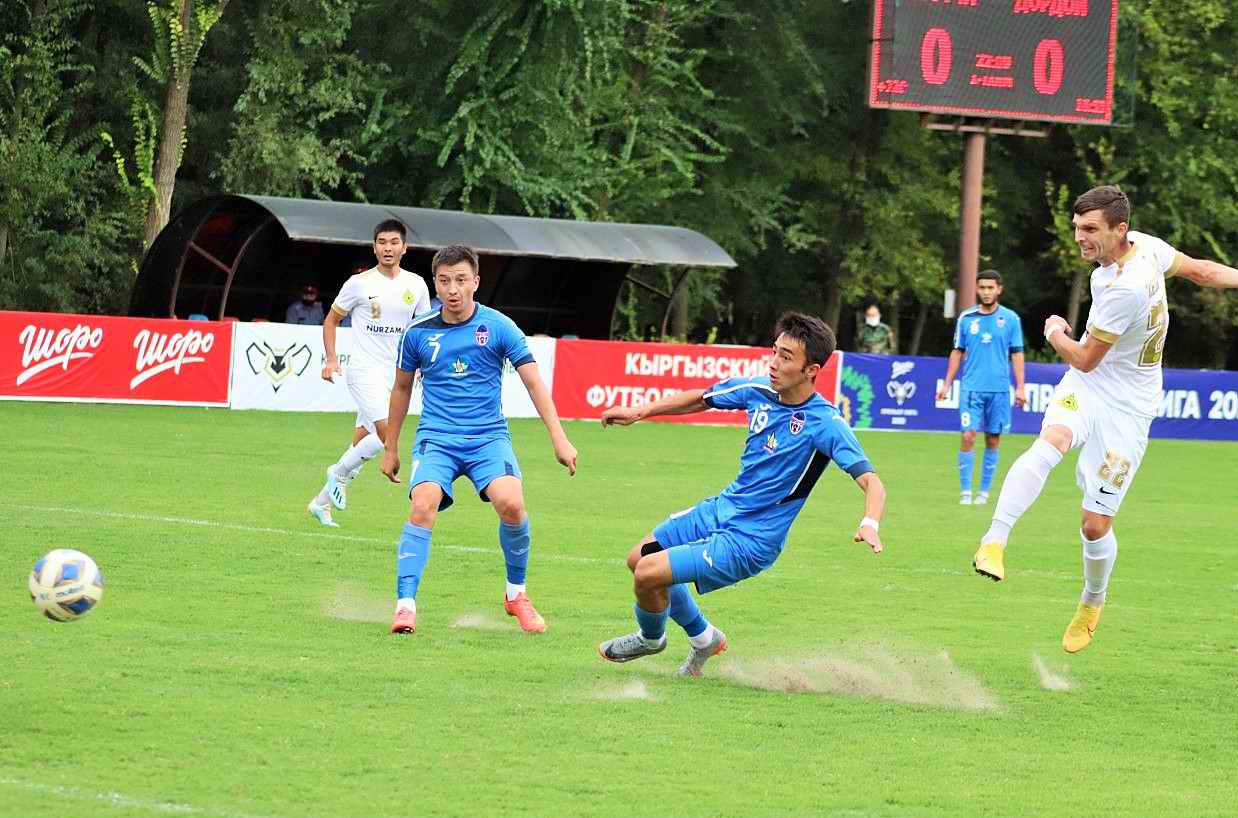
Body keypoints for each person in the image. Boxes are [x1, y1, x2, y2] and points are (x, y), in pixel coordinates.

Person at [972, 185, 1238, 653]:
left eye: (1090, 229)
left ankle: (1092, 602)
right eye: (1076, 228)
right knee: (1052, 440)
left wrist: (1054, 331)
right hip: (1087, 389)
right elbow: (1199, 271)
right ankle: (994, 540)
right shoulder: (1144, 247)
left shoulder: (1122, 288)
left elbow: (1084, 357)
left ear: (1119, 228)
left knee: (1095, 525)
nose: (1079, 238)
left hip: (1129, 406)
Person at [596, 312, 886, 676]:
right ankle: (705, 638)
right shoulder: (758, 390)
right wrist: (641, 411)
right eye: (774, 351)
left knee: (648, 573)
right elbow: (702, 398)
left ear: (811, 370)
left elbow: (872, 481)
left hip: (752, 540)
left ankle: (651, 638)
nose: (773, 363)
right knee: (639, 558)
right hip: (722, 508)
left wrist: (870, 522)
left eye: (785, 357)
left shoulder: (826, 424)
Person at [380, 244, 578, 635]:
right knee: (422, 504)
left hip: (488, 438)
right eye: (444, 281)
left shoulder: (499, 327)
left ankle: (516, 595)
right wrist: (390, 448)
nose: (452, 289)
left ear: (476, 282)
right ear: (435, 284)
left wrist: (560, 438)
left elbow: (534, 382)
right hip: (437, 438)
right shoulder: (418, 332)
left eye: (461, 280)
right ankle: (405, 607)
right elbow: (401, 388)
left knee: (512, 504)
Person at [307, 220, 430, 528]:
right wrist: (331, 359)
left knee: (363, 442)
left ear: (404, 247)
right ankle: (336, 473)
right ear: (374, 247)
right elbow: (331, 321)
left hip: (397, 376)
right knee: (387, 435)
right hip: (363, 370)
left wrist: (422, 366)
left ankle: (321, 503)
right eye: (382, 242)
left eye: (394, 242)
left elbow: (424, 330)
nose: (388, 248)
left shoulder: (416, 285)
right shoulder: (358, 283)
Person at [937, 270, 1026, 506]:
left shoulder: (1011, 319)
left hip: (999, 389)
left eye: (990, 288)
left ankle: (984, 492)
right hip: (971, 388)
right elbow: (957, 351)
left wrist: (1020, 387)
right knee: (968, 435)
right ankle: (966, 491)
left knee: (993, 439)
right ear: (977, 289)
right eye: (982, 288)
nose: (986, 292)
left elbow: (1017, 354)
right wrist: (947, 384)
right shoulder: (966, 318)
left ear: (999, 289)